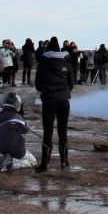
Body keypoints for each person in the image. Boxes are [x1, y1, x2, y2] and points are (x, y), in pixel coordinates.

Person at [34, 35, 75, 171]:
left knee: (48, 132)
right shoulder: (67, 62)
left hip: (49, 101)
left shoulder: (43, 63)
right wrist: (63, 91)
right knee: (63, 131)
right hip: (63, 101)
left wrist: (46, 91)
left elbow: (38, 84)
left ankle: (45, 164)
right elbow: (71, 83)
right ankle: (64, 162)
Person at [0, 91, 35, 171]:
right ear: (17, 104)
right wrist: (21, 115)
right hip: (16, 149)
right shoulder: (18, 117)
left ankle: (7, 158)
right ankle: (10, 163)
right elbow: (25, 130)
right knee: (33, 161)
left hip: (1, 147)